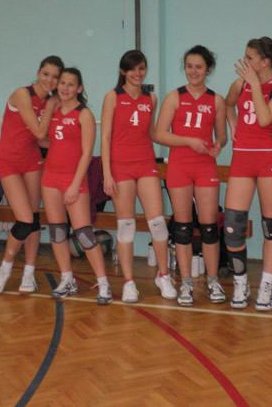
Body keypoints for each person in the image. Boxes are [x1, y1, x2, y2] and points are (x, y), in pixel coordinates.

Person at [224, 35, 272, 310]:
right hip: (242, 160)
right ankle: (241, 282)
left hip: (269, 161)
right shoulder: (239, 84)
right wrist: (233, 126)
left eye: (250, 58)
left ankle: (266, 285)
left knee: (271, 226)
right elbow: (228, 104)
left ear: (265, 62)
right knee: (233, 227)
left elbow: (266, 118)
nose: (245, 62)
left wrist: (255, 85)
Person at [156, 45, 229, 306]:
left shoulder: (216, 100)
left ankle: (213, 281)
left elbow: (222, 135)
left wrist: (219, 144)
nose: (193, 71)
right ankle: (186, 283)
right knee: (183, 228)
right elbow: (159, 134)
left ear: (208, 69)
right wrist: (188, 141)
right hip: (180, 167)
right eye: (189, 66)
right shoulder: (174, 97)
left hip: (205, 167)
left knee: (209, 228)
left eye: (199, 67)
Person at [101, 50, 176, 303]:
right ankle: (128, 282)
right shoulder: (112, 97)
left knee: (158, 223)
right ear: (123, 71)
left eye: (141, 68)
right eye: (132, 69)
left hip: (145, 164)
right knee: (126, 226)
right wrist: (107, 174)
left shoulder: (151, 98)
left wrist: (182, 143)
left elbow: (152, 133)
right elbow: (105, 138)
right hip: (120, 167)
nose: (137, 73)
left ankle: (163, 276)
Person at [0, 56, 62, 295]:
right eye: (46, 74)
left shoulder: (48, 101)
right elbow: (39, 131)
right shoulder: (23, 94)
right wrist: (51, 106)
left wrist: (71, 146)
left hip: (31, 160)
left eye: (55, 77)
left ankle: (29, 272)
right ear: (38, 73)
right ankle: (5, 267)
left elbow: (42, 140)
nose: (50, 80)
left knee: (34, 219)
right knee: (24, 221)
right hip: (8, 160)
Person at [42, 68, 112, 305]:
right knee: (57, 232)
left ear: (79, 88)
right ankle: (67, 279)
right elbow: (44, 139)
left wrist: (74, 185)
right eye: (62, 83)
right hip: (50, 178)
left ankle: (103, 283)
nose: (65, 88)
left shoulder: (84, 114)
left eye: (70, 84)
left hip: (74, 180)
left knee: (83, 234)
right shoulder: (52, 111)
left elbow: (87, 153)